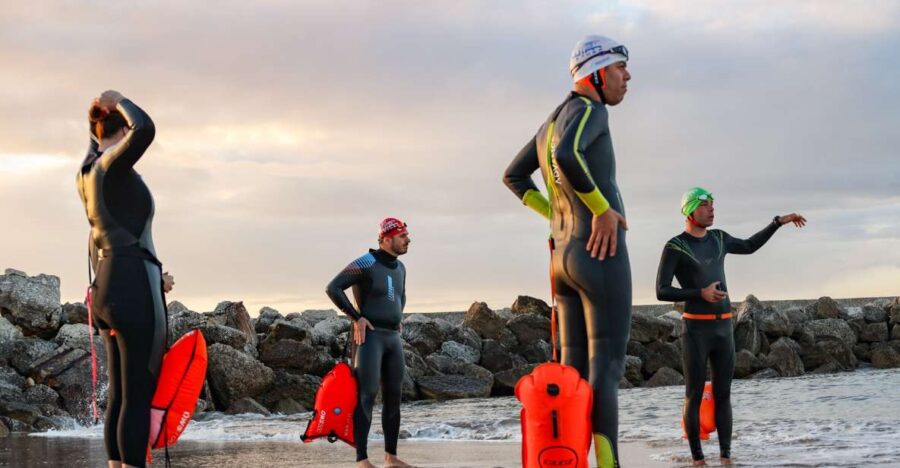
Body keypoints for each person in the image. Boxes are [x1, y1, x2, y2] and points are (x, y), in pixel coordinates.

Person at [503, 34, 632, 468]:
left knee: (573, 374)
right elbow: (567, 154)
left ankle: (568, 460)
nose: (627, 76)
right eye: (619, 69)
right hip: (599, 256)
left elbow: (514, 177)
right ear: (595, 74)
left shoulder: (550, 121)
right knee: (607, 372)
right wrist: (602, 210)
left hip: (563, 258)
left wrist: (555, 217)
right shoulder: (590, 110)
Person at [655, 187, 807, 466]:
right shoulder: (675, 246)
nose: (712, 209)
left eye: (713, 204)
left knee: (724, 395)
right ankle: (698, 460)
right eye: (705, 205)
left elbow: (749, 246)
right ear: (689, 211)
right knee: (694, 394)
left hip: (724, 328)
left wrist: (777, 223)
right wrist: (699, 293)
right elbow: (662, 291)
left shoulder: (719, 238)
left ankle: (726, 457)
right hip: (696, 331)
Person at [76, 90, 175, 468]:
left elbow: (117, 235)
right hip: (132, 286)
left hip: (106, 286)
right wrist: (122, 100)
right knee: (137, 393)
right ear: (120, 129)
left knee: (120, 393)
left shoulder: (87, 170)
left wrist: (154, 271)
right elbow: (145, 129)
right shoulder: (112, 166)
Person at [325, 218, 412, 468]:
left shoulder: (401, 267)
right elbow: (333, 288)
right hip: (369, 337)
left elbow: (400, 295)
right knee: (367, 395)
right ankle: (362, 460)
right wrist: (356, 317)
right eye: (403, 236)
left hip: (392, 338)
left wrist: (397, 317)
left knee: (394, 396)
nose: (408, 240)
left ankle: (391, 458)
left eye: (407, 235)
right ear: (386, 239)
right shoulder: (366, 262)